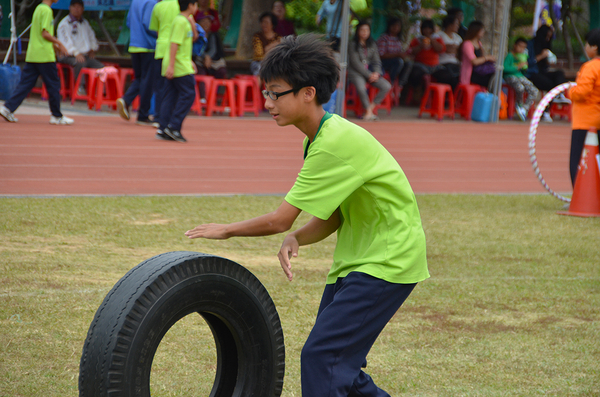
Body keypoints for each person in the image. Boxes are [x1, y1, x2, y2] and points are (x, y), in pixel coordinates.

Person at [184, 33, 429, 397]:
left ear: (308, 93)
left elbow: (278, 219)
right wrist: (299, 237)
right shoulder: (315, 138)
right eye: (266, 92)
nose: (268, 101)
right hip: (359, 259)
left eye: (276, 93)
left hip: (389, 260)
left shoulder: (333, 143)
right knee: (339, 364)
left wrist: (228, 230)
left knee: (322, 356)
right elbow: (333, 215)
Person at [0, 0, 74, 125]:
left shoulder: (38, 9)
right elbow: (45, 33)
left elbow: (41, 33)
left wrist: (54, 45)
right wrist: (59, 43)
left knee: (26, 84)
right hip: (44, 55)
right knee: (53, 85)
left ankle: (7, 108)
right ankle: (56, 115)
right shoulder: (47, 10)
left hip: (33, 54)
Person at [157, 0, 198, 143]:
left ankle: (163, 127)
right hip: (179, 66)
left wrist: (192, 25)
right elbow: (174, 44)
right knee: (189, 94)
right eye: (196, 4)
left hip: (180, 62)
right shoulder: (181, 22)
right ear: (191, 5)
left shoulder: (183, 21)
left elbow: (191, 40)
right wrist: (172, 66)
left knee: (171, 95)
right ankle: (174, 126)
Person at [116, 0, 159, 127]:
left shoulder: (135, 2)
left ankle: (126, 100)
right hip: (148, 46)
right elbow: (148, 23)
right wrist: (160, 33)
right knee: (148, 81)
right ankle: (142, 115)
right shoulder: (152, 2)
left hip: (134, 44)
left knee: (140, 78)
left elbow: (129, 22)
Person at [568, 28, 600, 187]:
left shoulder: (590, 67)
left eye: (587, 44)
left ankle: (579, 198)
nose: (586, 47)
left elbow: (581, 92)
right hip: (598, 121)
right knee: (596, 159)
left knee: (577, 159)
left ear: (594, 47)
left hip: (585, 121)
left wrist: (570, 91)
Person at [348, 21, 392, 121]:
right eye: (362, 30)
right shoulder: (352, 44)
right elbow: (355, 63)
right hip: (356, 73)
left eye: (366, 30)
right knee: (361, 88)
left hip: (371, 73)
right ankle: (368, 111)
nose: (364, 32)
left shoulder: (372, 44)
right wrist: (369, 75)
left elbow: (377, 61)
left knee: (386, 86)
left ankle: (370, 109)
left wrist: (376, 73)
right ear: (358, 31)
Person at [56, 0, 103, 90]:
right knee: (80, 62)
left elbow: (92, 38)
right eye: (74, 6)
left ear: (83, 9)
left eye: (79, 7)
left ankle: (98, 90)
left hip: (85, 55)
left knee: (100, 67)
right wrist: (76, 53)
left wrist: (92, 49)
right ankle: (79, 87)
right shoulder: (64, 23)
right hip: (68, 55)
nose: (76, 9)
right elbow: (65, 42)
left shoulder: (85, 23)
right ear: (70, 8)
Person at [149, 0, 180, 138]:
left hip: (161, 48)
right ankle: (168, 118)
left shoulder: (158, 6)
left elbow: (155, 29)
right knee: (172, 88)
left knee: (159, 86)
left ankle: (158, 116)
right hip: (176, 49)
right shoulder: (180, 4)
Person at [526, 24, 570, 122]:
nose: (547, 39)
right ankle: (545, 111)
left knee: (559, 73)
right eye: (546, 36)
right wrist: (541, 56)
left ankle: (559, 94)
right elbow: (527, 63)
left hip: (542, 72)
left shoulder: (546, 45)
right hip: (531, 73)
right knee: (551, 85)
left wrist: (549, 60)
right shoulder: (530, 45)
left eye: (549, 37)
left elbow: (545, 66)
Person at [503, 37, 539, 121]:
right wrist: (517, 67)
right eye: (520, 46)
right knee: (520, 88)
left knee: (534, 90)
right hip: (510, 76)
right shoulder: (510, 55)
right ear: (515, 46)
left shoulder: (523, 57)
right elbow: (504, 68)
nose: (521, 49)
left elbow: (523, 72)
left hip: (520, 76)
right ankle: (518, 104)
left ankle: (524, 109)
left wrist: (524, 68)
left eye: (524, 47)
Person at [408, 19, 447, 88]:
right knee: (415, 74)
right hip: (420, 65)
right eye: (425, 28)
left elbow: (441, 49)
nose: (427, 31)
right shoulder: (417, 39)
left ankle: (437, 93)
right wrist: (420, 46)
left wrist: (432, 41)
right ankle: (417, 92)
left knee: (445, 75)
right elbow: (411, 51)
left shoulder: (437, 38)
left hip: (435, 66)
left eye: (429, 28)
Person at [377, 17, 412, 88]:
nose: (396, 28)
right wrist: (397, 55)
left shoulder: (398, 40)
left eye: (398, 26)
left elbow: (400, 52)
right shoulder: (384, 38)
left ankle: (400, 85)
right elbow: (381, 55)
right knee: (399, 62)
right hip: (383, 62)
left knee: (408, 63)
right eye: (393, 25)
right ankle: (391, 81)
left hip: (396, 62)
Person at [459, 20, 496, 88]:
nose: (483, 32)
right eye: (482, 30)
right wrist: (487, 58)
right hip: (471, 74)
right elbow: (474, 61)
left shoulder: (479, 44)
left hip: (479, 71)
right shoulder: (467, 44)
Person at [195, 15, 227, 80]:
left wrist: (208, 57)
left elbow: (213, 49)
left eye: (208, 21)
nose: (206, 24)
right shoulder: (196, 36)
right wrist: (205, 57)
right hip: (200, 61)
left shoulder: (213, 35)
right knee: (201, 74)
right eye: (203, 21)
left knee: (221, 71)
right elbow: (198, 49)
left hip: (213, 61)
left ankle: (216, 90)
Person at [435, 14, 462, 89]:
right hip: (443, 64)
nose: (458, 26)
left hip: (456, 64)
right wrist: (448, 48)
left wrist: (450, 47)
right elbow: (443, 49)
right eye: (456, 24)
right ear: (450, 25)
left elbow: (460, 50)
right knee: (449, 77)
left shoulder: (458, 37)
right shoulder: (439, 35)